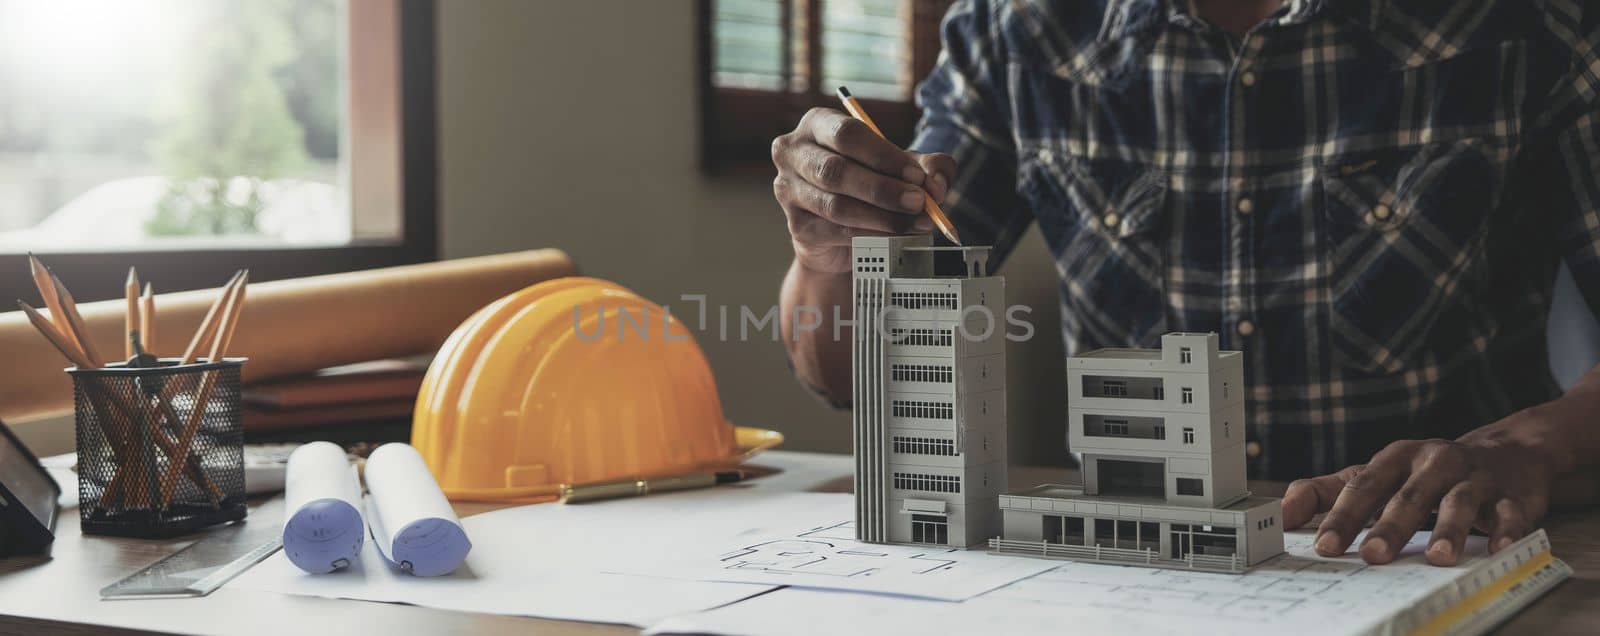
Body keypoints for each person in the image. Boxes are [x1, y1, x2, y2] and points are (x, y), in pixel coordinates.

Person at [770, 0, 1600, 566]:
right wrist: (832, 261)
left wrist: (1531, 443)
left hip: (1438, 553)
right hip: (1133, 571)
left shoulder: (1529, 24)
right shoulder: (1015, 28)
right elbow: (847, 377)